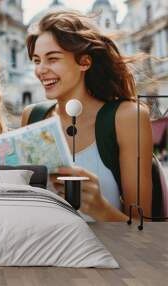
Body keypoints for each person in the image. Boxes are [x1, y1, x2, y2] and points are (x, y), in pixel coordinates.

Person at [21, 11, 153, 221]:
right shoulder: (32, 117)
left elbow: (144, 230)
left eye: (52, 59)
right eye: (37, 60)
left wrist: (100, 209)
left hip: (103, 252)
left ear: (84, 62)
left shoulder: (127, 117)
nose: (40, 70)